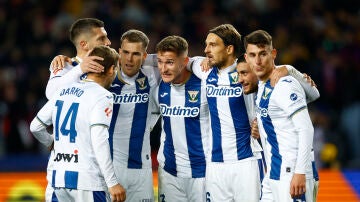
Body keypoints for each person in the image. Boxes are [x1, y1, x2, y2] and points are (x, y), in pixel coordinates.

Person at [49, 29, 161, 202]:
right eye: (125, 52)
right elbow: (55, 92)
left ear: (144, 56)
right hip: (109, 168)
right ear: (118, 52)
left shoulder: (152, 74)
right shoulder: (104, 75)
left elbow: (176, 60)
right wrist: (67, 63)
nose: (129, 59)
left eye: (136, 54)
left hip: (141, 169)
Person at [30, 45, 126, 202]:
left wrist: (51, 142)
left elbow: (35, 126)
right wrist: (112, 182)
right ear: (111, 70)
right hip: (88, 182)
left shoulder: (63, 90)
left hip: (58, 180)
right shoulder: (102, 96)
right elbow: (99, 141)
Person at [189, 24, 261, 202]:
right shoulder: (206, 72)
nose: (206, 50)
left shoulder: (249, 73)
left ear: (229, 49)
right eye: (206, 45)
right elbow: (184, 59)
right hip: (215, 165)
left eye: (213, 45)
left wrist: (289, 70)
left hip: (246, 162)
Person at [43, 17, 111, 202]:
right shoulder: (65, 66)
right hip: (63, 168)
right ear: (84, 44)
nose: (108, 42)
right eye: (102, 39)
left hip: (94, 170)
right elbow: (52, 93)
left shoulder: (110, 67)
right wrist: (80, 68)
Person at [244, 29, 317, 201]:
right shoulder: (263, 84)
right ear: (246, 58)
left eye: (263, 54)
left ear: (273, 54)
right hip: (274, 173)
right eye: (253, 55)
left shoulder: (284, 84)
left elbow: (306, 129)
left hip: (292, 174)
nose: (258, 61)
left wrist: (300, 172)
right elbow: (314, 95)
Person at [154, 35, 210, 202]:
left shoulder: (206, 84)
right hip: (169, 171)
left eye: (170, 62)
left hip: (202, 172)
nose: (163, 69)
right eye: (160, 62)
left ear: (186, 61)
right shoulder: (158, 85)